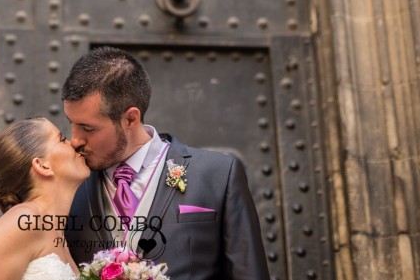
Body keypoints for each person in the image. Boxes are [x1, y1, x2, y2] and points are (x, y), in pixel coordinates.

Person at [62, 46, 270, 279]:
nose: (75, 139)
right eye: (71, 123)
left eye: (88, 128)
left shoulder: (219, 174)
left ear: (130, 118)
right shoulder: (67, 186)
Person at [0, 117, 90, 280]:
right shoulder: (23, 221)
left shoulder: (55, 231)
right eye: (62, 139)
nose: (73, 143)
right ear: (42, 165)